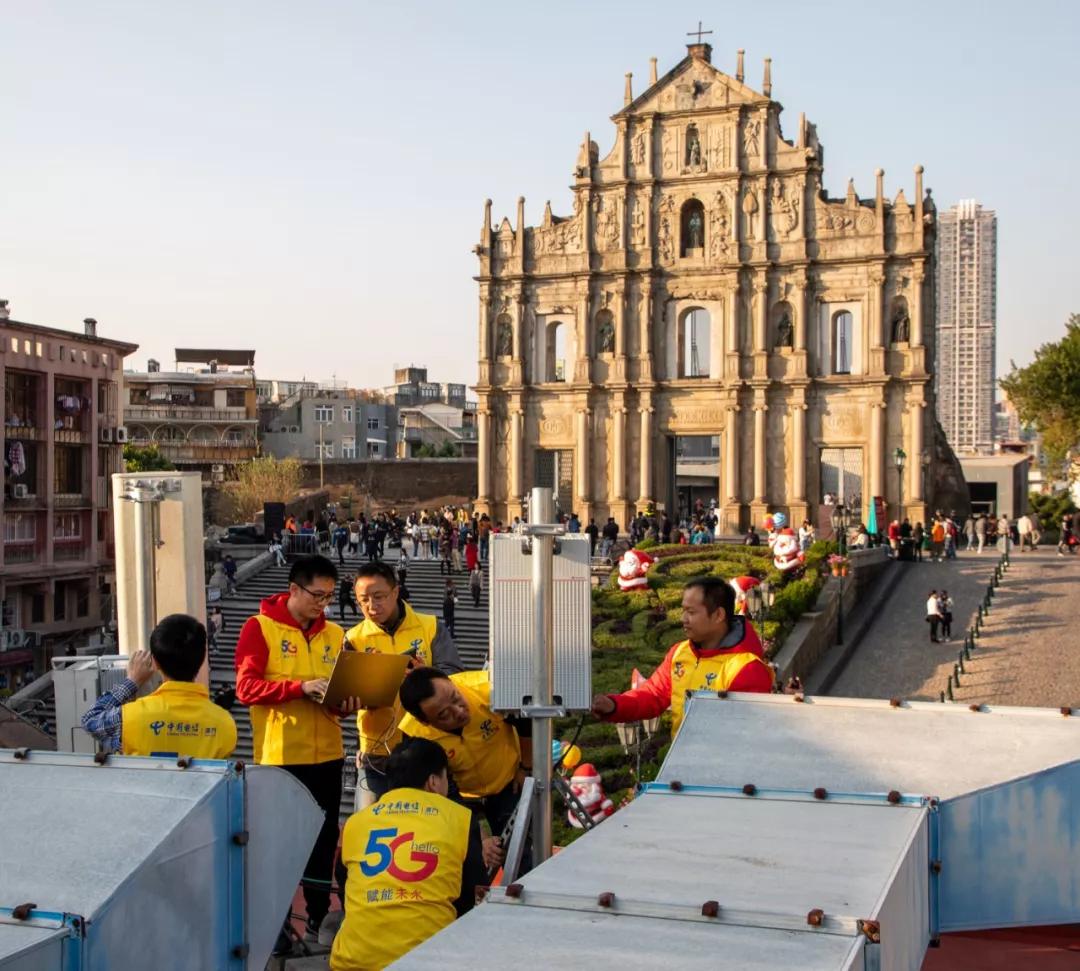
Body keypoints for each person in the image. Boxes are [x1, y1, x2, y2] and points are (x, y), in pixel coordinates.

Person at [235, 555, 359, 945]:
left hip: (328, 755)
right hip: (281, 757)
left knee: (324, 841)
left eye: (329, 596)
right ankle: (277, 926)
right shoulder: (260, 627)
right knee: (281, 843)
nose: (322, 604)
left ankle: (320, 921)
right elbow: (246, 688)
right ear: (293, 589)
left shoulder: (337, 635)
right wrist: (299, 688)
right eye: (316, 595)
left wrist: (349, 701)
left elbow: (340, 694)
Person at [330, 740, 491, 971]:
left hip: (352, 961)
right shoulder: (459, 819)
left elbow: (345, 884)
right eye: (447, 777)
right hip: (428, 961)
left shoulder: (356, 823)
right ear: (433, 781)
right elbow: (474, 895)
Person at [590, 578, 773, 739]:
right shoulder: (679, 652)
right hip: (681, 766)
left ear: (718, 615)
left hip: (722, 773)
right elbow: (653, 695)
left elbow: (748, 734)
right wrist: (614, 705)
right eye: (683, 610)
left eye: (691, 612)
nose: (683, 618)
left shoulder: (746, 667)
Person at [347, 561, 463, 808]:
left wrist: (426, 676)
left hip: (426, 745)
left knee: (428, 821)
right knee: (370, 821)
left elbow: (455, 675)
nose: (371, 606)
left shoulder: (430, 627)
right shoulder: (353, 639)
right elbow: (344, 693)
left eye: (378, 596)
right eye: (363, 600)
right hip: (375, 752)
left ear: (396, 592)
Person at [399, 668, 532, 849]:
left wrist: (526, 767)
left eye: (456, 698)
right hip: (459, 794)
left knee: (520, 851)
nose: (459, 712)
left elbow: (527, 724)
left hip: (507, 778)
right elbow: (444, 791)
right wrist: (480, 836)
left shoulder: (489, 689)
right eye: (444, 715)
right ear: (424, 721)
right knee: (469, 855)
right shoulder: (415, 735)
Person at [82, 614, 237, 758]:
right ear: (202, 659)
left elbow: (90, 720)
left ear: (154, 663)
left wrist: (131, 682)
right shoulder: (225, 724)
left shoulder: (129, 718)